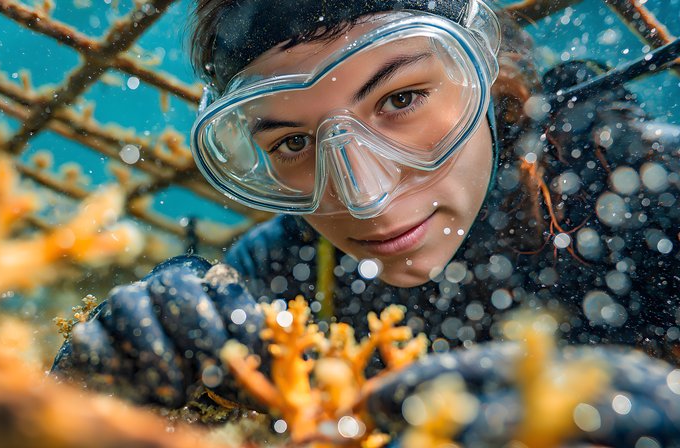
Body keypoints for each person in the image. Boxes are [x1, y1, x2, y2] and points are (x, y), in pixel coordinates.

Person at [53, 0, 680, 443]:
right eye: (294, 144)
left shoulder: (651, 192)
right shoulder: (280, 272)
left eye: (401, 99)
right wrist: (91, 390)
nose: (366, 199)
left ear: (484, 70)